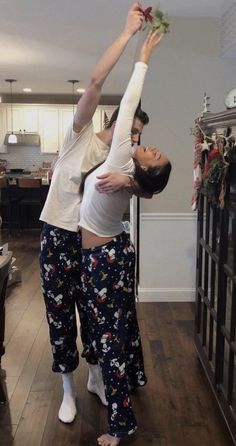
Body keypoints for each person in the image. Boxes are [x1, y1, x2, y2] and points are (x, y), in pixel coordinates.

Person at [39, 3, 146, 425]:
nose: (134, 139)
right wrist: (127, 33)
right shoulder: (79, 137)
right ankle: (67, 387)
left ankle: (97, 377)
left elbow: (150, 187)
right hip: (56, 238)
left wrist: (130, 183)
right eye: (131, 130)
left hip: (94, 246)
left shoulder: (123, 164)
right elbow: (98, 79)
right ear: (116, 120)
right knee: (60, 313)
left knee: (97, 318)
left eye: (138, 136)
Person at [78, 29, 171, 446]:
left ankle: (121, 425)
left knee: (108, 339)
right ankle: (132, 378)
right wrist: (128, 180)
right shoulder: (126, 169)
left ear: (146, 168)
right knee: (119, 328)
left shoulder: (123, 162)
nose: (148, 145)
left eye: (154, 154)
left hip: (105, 260)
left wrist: (144, 56)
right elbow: (148, 185)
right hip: (109, 255)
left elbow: (129, 100)